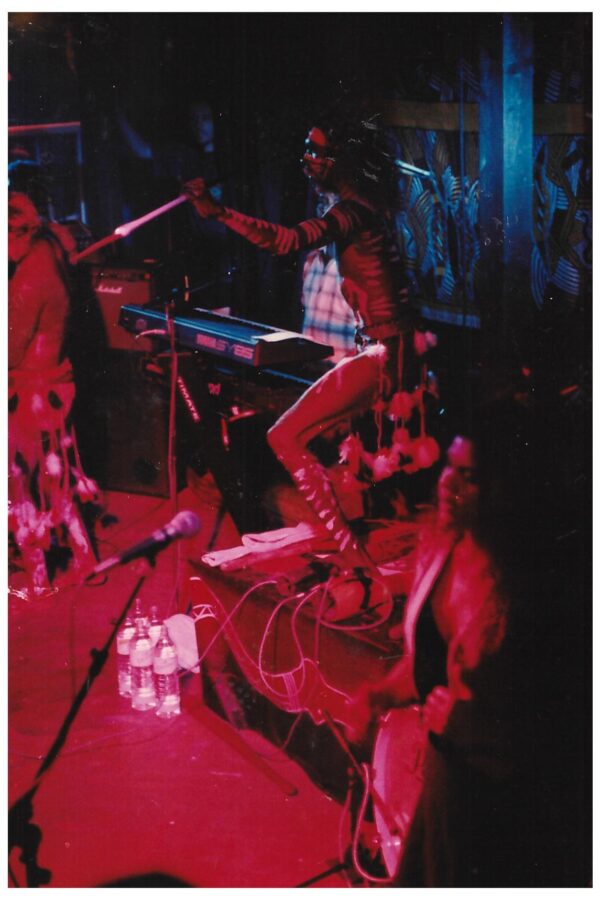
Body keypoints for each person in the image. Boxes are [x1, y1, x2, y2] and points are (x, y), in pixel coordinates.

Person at [185, 116, 435, 593]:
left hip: (387, 352)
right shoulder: (362, 211)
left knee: (284, 435)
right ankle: (347, 546)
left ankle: (354, 558)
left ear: (343, 160)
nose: (308, 158)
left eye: (317, 151)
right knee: (303, 442)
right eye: (307, 148)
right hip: (392, 349)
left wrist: (219, 213)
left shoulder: (353, 212)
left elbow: (285, 241)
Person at [347, 432, 509, 886]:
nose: (447, 484)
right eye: (449, 467)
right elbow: (427, 668)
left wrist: (472, 723)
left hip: (494, 794)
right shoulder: (443, 548)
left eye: (469, 476)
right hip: (446, 772)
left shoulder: (524, 588)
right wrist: (381, 694)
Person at [8, 192, 99, 599]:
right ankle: (87, 564)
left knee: (19, 487)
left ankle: (38, 582)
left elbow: (9, 351)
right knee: (59, 481)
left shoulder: (28, 279)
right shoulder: (51, 253)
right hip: (57, 385)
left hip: (30, 392)